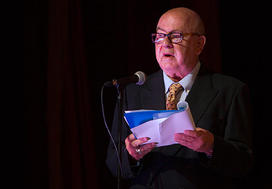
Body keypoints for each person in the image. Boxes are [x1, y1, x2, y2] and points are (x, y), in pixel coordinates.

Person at [106, 7, 253, 189]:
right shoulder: (133, 91)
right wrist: (131, 155)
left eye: (176, 36)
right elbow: (113, 162)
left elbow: (244, 163)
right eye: (159, 36)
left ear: (199, 44)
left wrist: (211, 146)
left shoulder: (230, 91)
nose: (165, 43)